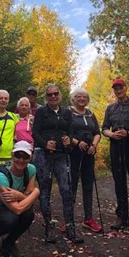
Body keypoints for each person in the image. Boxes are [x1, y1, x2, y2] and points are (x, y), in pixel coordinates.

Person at [32, 84, 84, 243]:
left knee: (66, 190)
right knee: (45, 190)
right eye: (50, 95)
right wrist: (45, 143)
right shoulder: (41, 112)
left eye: (56, 94)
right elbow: (35, 132)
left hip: (62, 155)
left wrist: (68, 140)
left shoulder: (67, 112)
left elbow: (70, 131)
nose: (53, 97)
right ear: (46, 97)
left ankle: (70, 227)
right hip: (44, 155)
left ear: (60, 95)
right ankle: (49, 228)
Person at [102, 79, 129, 231]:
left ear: (125, 88)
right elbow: (104, 128)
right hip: (116, 146)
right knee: (119, 182)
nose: (118, 90)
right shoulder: (110, 108)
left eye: (120, 87)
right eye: (115, 88)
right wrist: (112, 134)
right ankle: (121, 216)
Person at [69, 88, 102, 233]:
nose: (81, 98)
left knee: (88, 185)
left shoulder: (90, 114)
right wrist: (77, 142)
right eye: (78, 96)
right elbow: (64, 133)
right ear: (73, 99)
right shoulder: (68, 113)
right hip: (73, 152)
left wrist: (94, 145)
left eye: (84, 96)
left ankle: (88, 218)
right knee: (72, 184)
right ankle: (68, 219)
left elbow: (97, 133)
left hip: (89, 152)